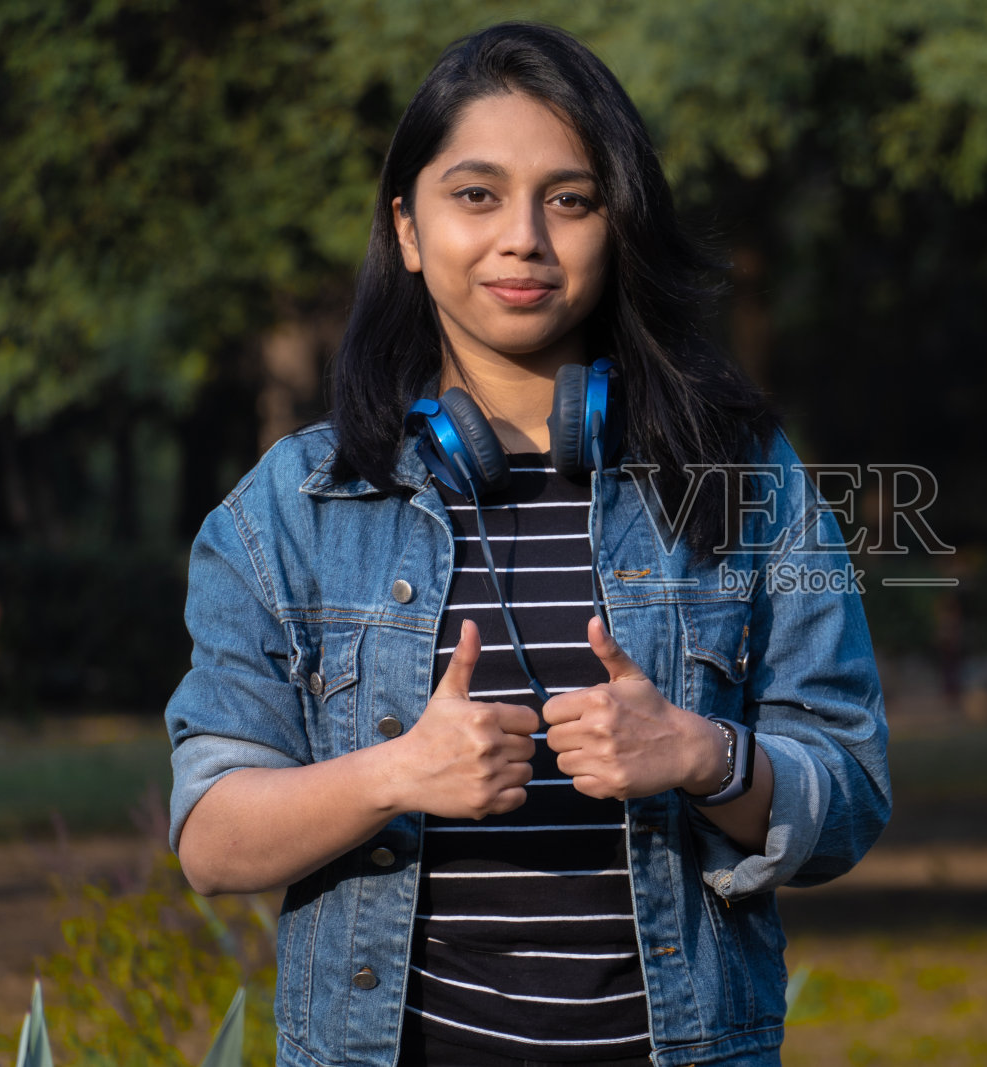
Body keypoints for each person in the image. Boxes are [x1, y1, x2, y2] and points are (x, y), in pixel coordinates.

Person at [164, 22, 889, 1067]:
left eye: (570, 198)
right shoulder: (290, 505)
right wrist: (396, 772)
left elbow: (850, 794)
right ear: (407, 227)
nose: (524, 240)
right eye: (476, 194)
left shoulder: (744, 474)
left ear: (619, 225)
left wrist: (703, 755)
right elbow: (211, 838)